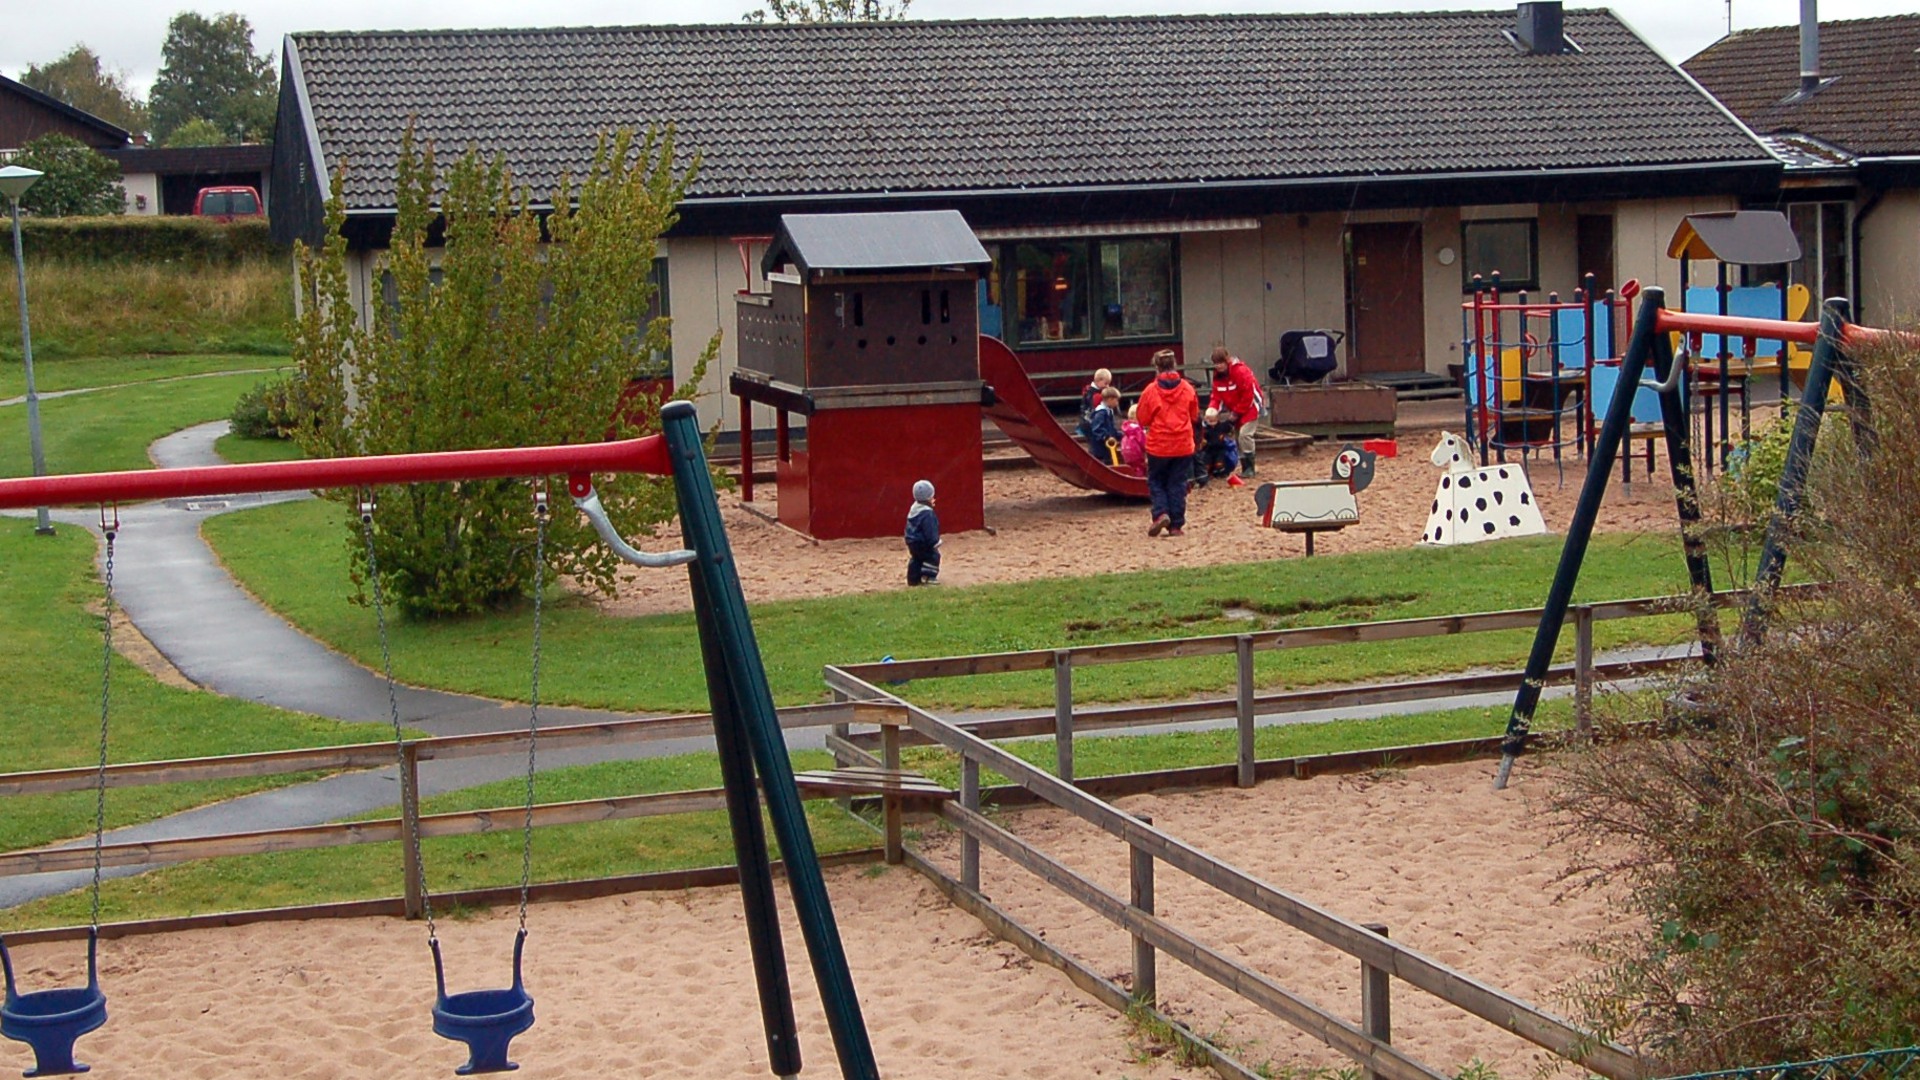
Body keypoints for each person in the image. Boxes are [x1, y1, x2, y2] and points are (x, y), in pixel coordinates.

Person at [1135, 349, 1199, 536]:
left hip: (1159, 445)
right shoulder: (1188, 388)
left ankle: (1161, 513)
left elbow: (1142, 419)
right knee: (1178, 483)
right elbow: (1194, 415)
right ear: (1175, 365)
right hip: (1183, 444)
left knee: (1156, 481)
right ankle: (1176, 525)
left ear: (1156, 367)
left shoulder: (1150, 391)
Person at [1207, 345, 1263, 478]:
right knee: (1238, 438)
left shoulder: (1240, 372)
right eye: (1216, 363)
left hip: (1251, 407)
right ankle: (1245, 466)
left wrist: (1235, 414)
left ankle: (1250, 466)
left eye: (1221, 362)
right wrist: (1212, 410)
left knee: (1245, 435)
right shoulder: (1218, 378)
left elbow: (1248, 395)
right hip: (1236, 409)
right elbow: (1217, 396)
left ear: (1227, 360)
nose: (1219, 366)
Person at [905, 479, 941, 586]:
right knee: (933, 556)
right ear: (928, 499)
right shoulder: (927, 514)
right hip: (922, 542)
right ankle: (928, 577)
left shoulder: (914, 509)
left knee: (916, 558)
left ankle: (913, 579)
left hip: (912, 540)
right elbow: (930, 530)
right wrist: (935, 542)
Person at [1200, 407, 1242, 484]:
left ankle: (1220, 473)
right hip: (1208, 450)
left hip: (1220, 449)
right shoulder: (1204, 429)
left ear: (1217, 418)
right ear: (1206, 419)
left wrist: (1232, 419)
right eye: (1210, 421)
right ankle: (1208, 474)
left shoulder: (1221, 427)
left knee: (1220, 463)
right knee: (1206, 463)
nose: (1212, 423)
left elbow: (1228, 425)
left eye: (1214, 421)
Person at [1085, 385, 1122, 462]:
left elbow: (1110, 428)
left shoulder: (1108, 411)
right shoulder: (1101, 413)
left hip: (1106, 447)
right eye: (1116, 400)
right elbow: (1097, 428)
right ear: (1110, 399)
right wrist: (1106, 437)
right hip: (1100, 448)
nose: (1117, 403)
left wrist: (1119, 435)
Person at [1075, 368, 1113, 441]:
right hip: (1089, 419)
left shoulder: (1091, 390)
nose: (1107, 386)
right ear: (1099, 381)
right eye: (1106, 383)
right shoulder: (1092, 393)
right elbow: (1094, 406)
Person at [1118, 404, 1147, 472]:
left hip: (1127, 455)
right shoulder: (1137, 430)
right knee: (1140, 470)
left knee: (1132, 469)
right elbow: (1144, 444)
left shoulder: (1127, 428)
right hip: (1137, 456)